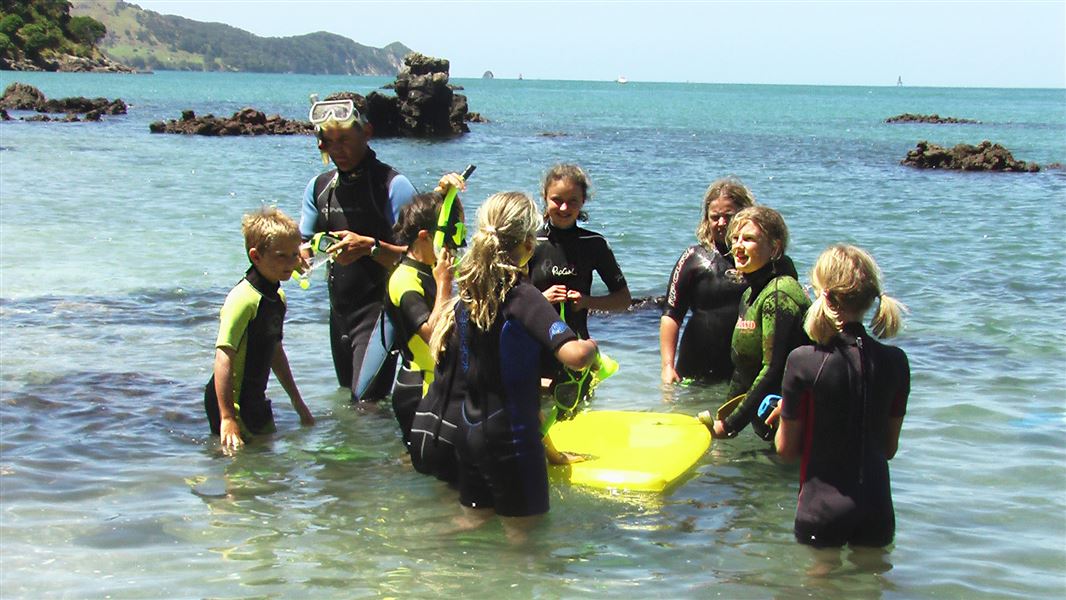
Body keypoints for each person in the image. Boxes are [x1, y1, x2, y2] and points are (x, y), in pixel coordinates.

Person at [428, 191, 599, 542]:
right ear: (527, 242)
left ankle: (415, 554)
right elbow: (574, 356)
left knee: (471, 525)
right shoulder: (523, 295)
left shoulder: (469, 292)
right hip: (512, 439)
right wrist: (592, 348)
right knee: (525, 545)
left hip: (469, 430)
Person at [774, 244, 910, 549]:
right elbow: (888, 448)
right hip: (878, 510)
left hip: (821, 509)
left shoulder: (803, 360)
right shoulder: (897, 361)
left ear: (827, 297)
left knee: (818, 591)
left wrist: (789, 413)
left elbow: (786, 449)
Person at [298, 95, 416, 402]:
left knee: (365, 404)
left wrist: (371, 248)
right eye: (329, 141)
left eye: (345, 140)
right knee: (348, 406)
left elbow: (424, 260)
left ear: (366, 133)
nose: (338, 149)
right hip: (340, 316)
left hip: (380, 313)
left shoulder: (393, 186)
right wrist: (297, 256)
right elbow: (304, 246)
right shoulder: (319, 188)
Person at [204, 207, 315, 450]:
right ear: (256, 256)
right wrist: (227, 418)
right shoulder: (243, 298)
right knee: (239, 471)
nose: (291, 263)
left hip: (255, 398)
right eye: (280, 256)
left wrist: (298, 403)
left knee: (264, 461)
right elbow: (223, 356)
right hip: (230, 402)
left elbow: (274, 351)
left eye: (294, 255)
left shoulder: (277, 298)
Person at [699, 205, 809, 440]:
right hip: (768, 424)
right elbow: (743, 372)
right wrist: (724, 420)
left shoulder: (780, 295)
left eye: (749, 239)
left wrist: (730, 424)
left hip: (793, 427)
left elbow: (774, 369)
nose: (738, 246)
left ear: (774, 247)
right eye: (735, 238)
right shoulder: (750, 295)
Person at [660, 177, 755, 385]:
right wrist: (667, 367)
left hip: (742, 368)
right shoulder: (693, 258)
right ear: (706, 219)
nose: (721, 223)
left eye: (729, 216)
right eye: (715, 217)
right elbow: (671, 314)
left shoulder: (761, 261)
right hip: (696, 364)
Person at [385, 188, 460, 449]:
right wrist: (444, 285)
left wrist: (447, 193)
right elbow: (432, 334)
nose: (455, 247)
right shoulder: (404, 280)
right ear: (425, 237)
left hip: (437, 384)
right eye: (450, 238)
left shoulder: (432, 268)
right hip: (419, 390)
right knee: (429, 474)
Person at [528, 164, 630, 340]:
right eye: (557, 200)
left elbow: (623, 300)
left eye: (572, 201)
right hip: (533, 344)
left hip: (577, 344)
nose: (564, 208)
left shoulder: (594, 244)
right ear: (545, 198)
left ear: (583, 200)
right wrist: (542, 300)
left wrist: (587, 301)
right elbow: (507, 301)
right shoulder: (530, 243)